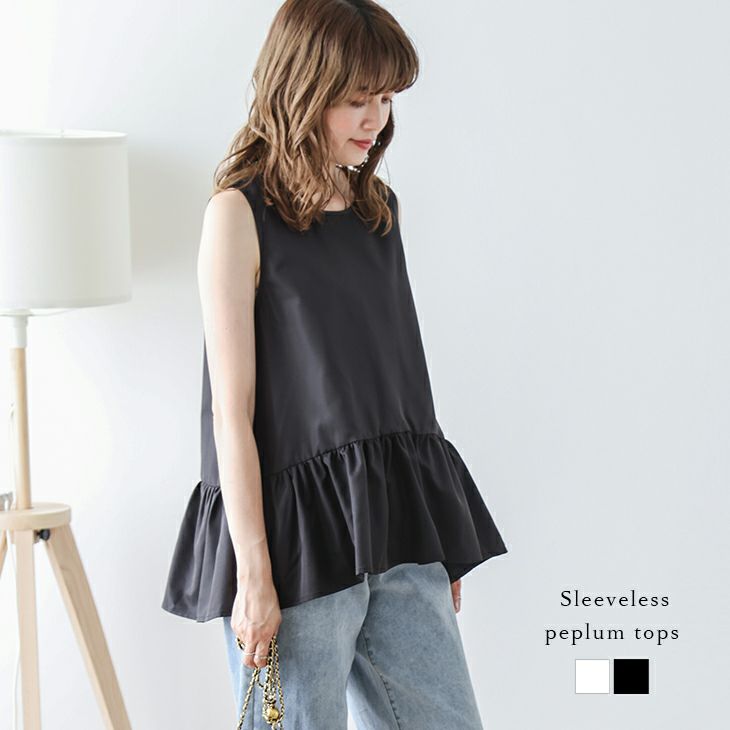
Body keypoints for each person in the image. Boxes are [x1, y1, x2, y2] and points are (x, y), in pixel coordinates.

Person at [161, 1, 508, 727]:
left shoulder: (377, 209)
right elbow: (231, 414)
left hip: (398, 529)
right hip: (296, 547)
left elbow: (405, 384)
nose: (375, 118)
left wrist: (438, 537)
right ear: (302, 88)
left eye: (386, 98)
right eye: (357, 98)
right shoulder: (239, 216)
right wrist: (254, 573)